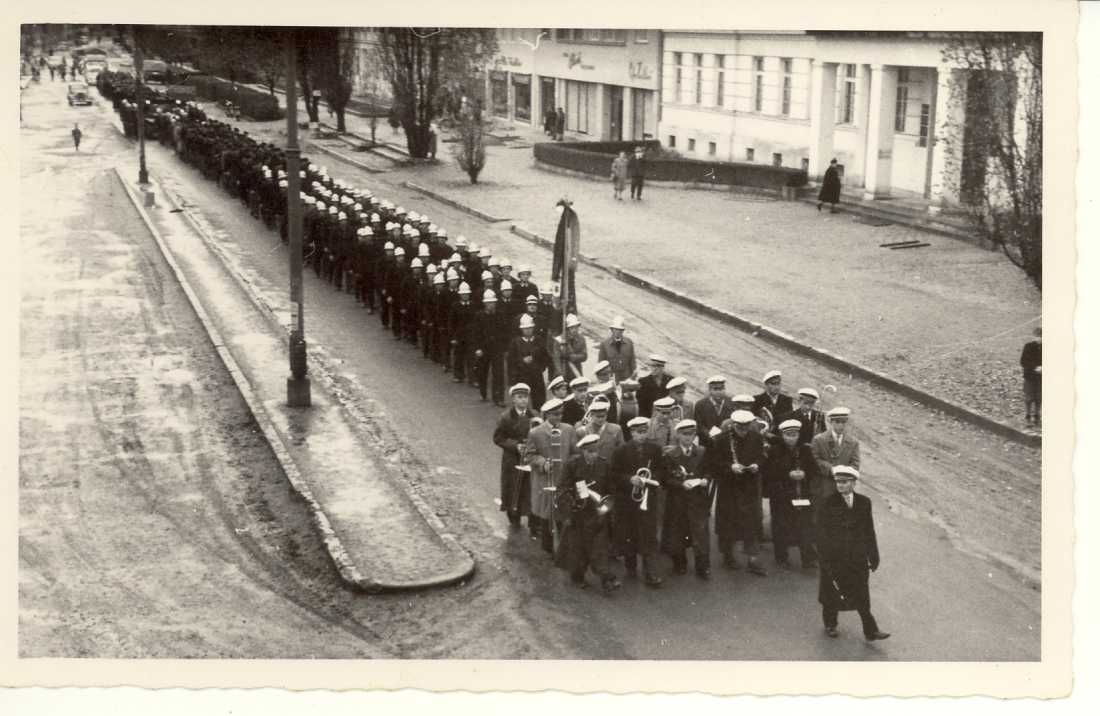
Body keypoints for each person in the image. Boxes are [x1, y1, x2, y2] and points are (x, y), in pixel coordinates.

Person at [817, 466, 890, 641]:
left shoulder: (864, 502)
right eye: (838, 482)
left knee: (862, 593)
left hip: (857, 556)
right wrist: (824, 558)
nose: (840, 485)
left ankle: (871, 630)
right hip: (836, 557)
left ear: (853, 483)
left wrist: (874, 556)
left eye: (844, 482)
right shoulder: (827, 502)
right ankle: (830, 624)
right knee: (832, 591)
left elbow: (869, 530)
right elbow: (821, 533)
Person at [556, 434, 621, 593]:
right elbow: (562, 490)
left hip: (597, 512)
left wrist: (609, 506)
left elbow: (609, 487)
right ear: (583, 451)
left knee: (600, 547)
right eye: (590, 451)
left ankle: (607, 580)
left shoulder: (603, 464)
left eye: (596, 450)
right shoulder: (572, 465)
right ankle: (577, 577)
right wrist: (571, 508)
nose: (594, 455)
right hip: (578, 513)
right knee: (577, 548)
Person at [708, 410, 769, 576]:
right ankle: (728, 555)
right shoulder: (722, 439)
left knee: (752, 521)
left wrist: (757, 464)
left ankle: (753, 559)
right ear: (734, 424)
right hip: (729, 487)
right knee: (728, 521)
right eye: (740, 426)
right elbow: (714, 461)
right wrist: (730, 467)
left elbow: (762, 457)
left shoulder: (755, 437)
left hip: (749, 486)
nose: (743, 430)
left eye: (746, 426)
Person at [611, 417, 666, 586]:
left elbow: (663, 471)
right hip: (627, 500)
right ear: (632, 432)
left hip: (648, 498)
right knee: (629, 532)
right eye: (639, 432)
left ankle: (650, 572)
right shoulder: (621, 451)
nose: (643, 435)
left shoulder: (655, 449)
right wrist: (629, 479)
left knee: (648, 534)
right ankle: (631, 566)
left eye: (645, 432)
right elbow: (614, 474)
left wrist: (650, 479)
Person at [524, 398, 578, 554]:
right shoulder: (536, 432)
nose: (558, 417)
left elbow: (576, 452)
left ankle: (563, 549)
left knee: (563, 514)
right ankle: (548, 549)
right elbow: (529, 456)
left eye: (561, 413)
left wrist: (568, 465)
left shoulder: (568, 430)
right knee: (546, 515)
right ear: (547, 414)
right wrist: (543, 463)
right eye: (555, 414)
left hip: (564, 479)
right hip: (544, 480)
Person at [765, 419, 820, 569]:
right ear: (782, 435)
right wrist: (787, 475)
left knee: (805, 526)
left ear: (798, 435)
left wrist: (804, 474)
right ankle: (781, 557)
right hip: (781, 495)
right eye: (788, 435)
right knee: (780, 526)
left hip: (801, 494)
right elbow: (769, 473)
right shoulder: (774, 451)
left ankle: (808, 558)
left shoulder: (805, 450)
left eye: (794, 435)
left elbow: (814, 470)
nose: (791, 438)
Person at [661, 419, 712, 577]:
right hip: (678, 499)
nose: (688, 438)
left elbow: (708, 471)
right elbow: (666, 479)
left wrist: (705, 480)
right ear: (678, 435)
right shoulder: (670, 454)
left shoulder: (702, 451)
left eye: (691, 434)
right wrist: (680, 484)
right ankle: (679, 563)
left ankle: (703, 566)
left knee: (700, 533)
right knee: (677, 531)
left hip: (697, 499)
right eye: (684, 435)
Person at [493, 384, 540, 527]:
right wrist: (515, 445)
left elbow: (541, 435)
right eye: (520, 397)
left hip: (530, 458)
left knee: (531, 489)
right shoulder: (505, 417)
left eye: (526, 397)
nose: (523, 400)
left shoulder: (535, 416)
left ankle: (534, 522)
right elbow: (498, 438)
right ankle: (514, 518)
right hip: (512, 459)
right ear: (513, 399)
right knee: (512, 488)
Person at [810, 407, 861, 508]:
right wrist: (830, 469)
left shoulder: (853, 442)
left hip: (844, 487)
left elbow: (855, 463)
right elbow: (814, 460)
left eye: (844, 422)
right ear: (831, 422)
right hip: (823, 485)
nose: (841, 425)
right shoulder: (818, 440)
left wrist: (843, 473)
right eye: (837, 422)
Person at [471, 289, 509, 406]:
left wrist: (505, 348)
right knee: (483, 372)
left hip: (497, 348)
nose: (492, 304)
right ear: (485, 303)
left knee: (499, 373)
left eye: (493, 302)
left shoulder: (500, 314)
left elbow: (504, 332)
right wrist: (478, 348)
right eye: (489, 302)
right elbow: (476, 333)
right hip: (484, 349)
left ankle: (499, 398)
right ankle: (483, 392)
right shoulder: (479, 316)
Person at [507, 315, 552, 410]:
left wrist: (541, 368)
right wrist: (522, 360)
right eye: (525, 328)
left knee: (539, 400)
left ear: (533, 328)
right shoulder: (516, 342)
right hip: (522, 376)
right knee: (522, 401)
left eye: (530, 328)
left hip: (536, 376)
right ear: (521, 330)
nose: (528, 330)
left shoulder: (539, 340)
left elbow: (546, 357)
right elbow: (510, 359)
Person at [753, 370, 793, 442]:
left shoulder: (787, 400)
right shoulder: (757, 400)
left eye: (779, 383)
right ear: (766, 384)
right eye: (773, 384)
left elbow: (789, 420)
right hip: (762, 438)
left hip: (780, 438)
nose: (777, 387)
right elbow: (754, 421)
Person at [693, 375, 734, 446]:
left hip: (725, 443)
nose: (718, 392)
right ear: (710, 390)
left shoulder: (731, 402)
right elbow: (699, 425)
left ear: (724, 389)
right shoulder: (701, 404)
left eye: (720, 389)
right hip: (707, 442)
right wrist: (708, 434)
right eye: (715, 389)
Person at [597, 315, 636, 384]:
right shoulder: (605, 344)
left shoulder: (629, 343)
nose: (618, 332)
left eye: (620, 330)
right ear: (612, 330)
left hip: (626, 379)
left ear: (623, 330)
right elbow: (601, 365)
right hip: (611, 380)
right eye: (616, 329)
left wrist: (633, 377)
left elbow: (632, 362)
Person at [637, 355, 673, 419]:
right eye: (653, 365)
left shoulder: (670, 380)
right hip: (649, 417)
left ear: (663, 367)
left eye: (658, 366)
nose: (655, 368)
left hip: (666, 416)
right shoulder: (643, 382)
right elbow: (641, 406)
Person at [1020, 327, 1042, 426]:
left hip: (1041, 377)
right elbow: (1023, 361)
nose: (1040, 339)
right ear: (1034, 336)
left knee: (1039, 397)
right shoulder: (1028, 346)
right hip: (1030, 376)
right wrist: (1034, 368)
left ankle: (1037, 416)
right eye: (1038, 336)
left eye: (1042, 337)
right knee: (1029, 397)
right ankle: (1028, 416)